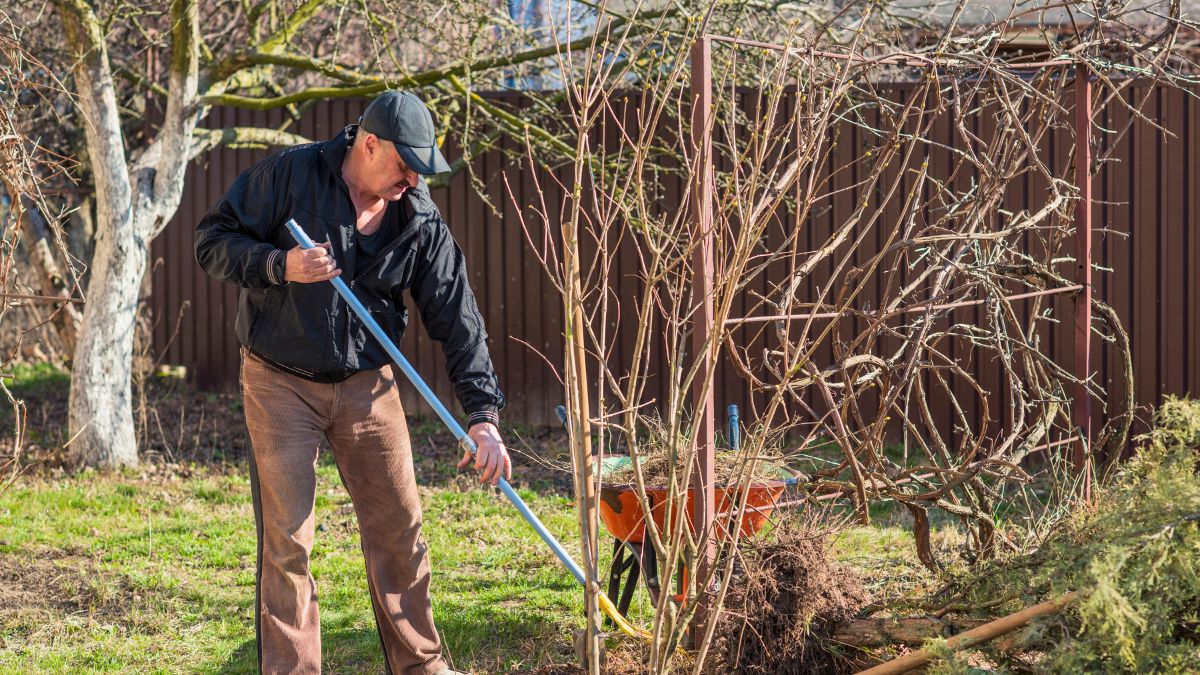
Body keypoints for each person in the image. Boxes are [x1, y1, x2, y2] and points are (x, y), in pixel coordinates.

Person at [195, 90, 509, 675]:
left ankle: (421, 665)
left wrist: (483, 416)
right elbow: (212, 242)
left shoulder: (419, 218)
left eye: (421, 168)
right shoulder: (290, 175)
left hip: (368, 384)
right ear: (370, 144)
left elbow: (459, 319)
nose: (414, 179)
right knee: (289, 540)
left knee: (400, 527)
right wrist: (278, 265)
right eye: (406, 164)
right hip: (279, 379)